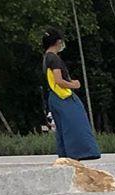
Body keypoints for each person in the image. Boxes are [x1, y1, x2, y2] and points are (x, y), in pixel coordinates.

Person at [41, 27, 100, 161]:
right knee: (75, 123)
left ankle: (65, 156)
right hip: (62, 96)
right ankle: (80, 153)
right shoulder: (54, 59)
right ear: (57, 42)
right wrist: (74, 85)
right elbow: (59, 81)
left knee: (63, 128)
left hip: (53, 97)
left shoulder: (46, 58)